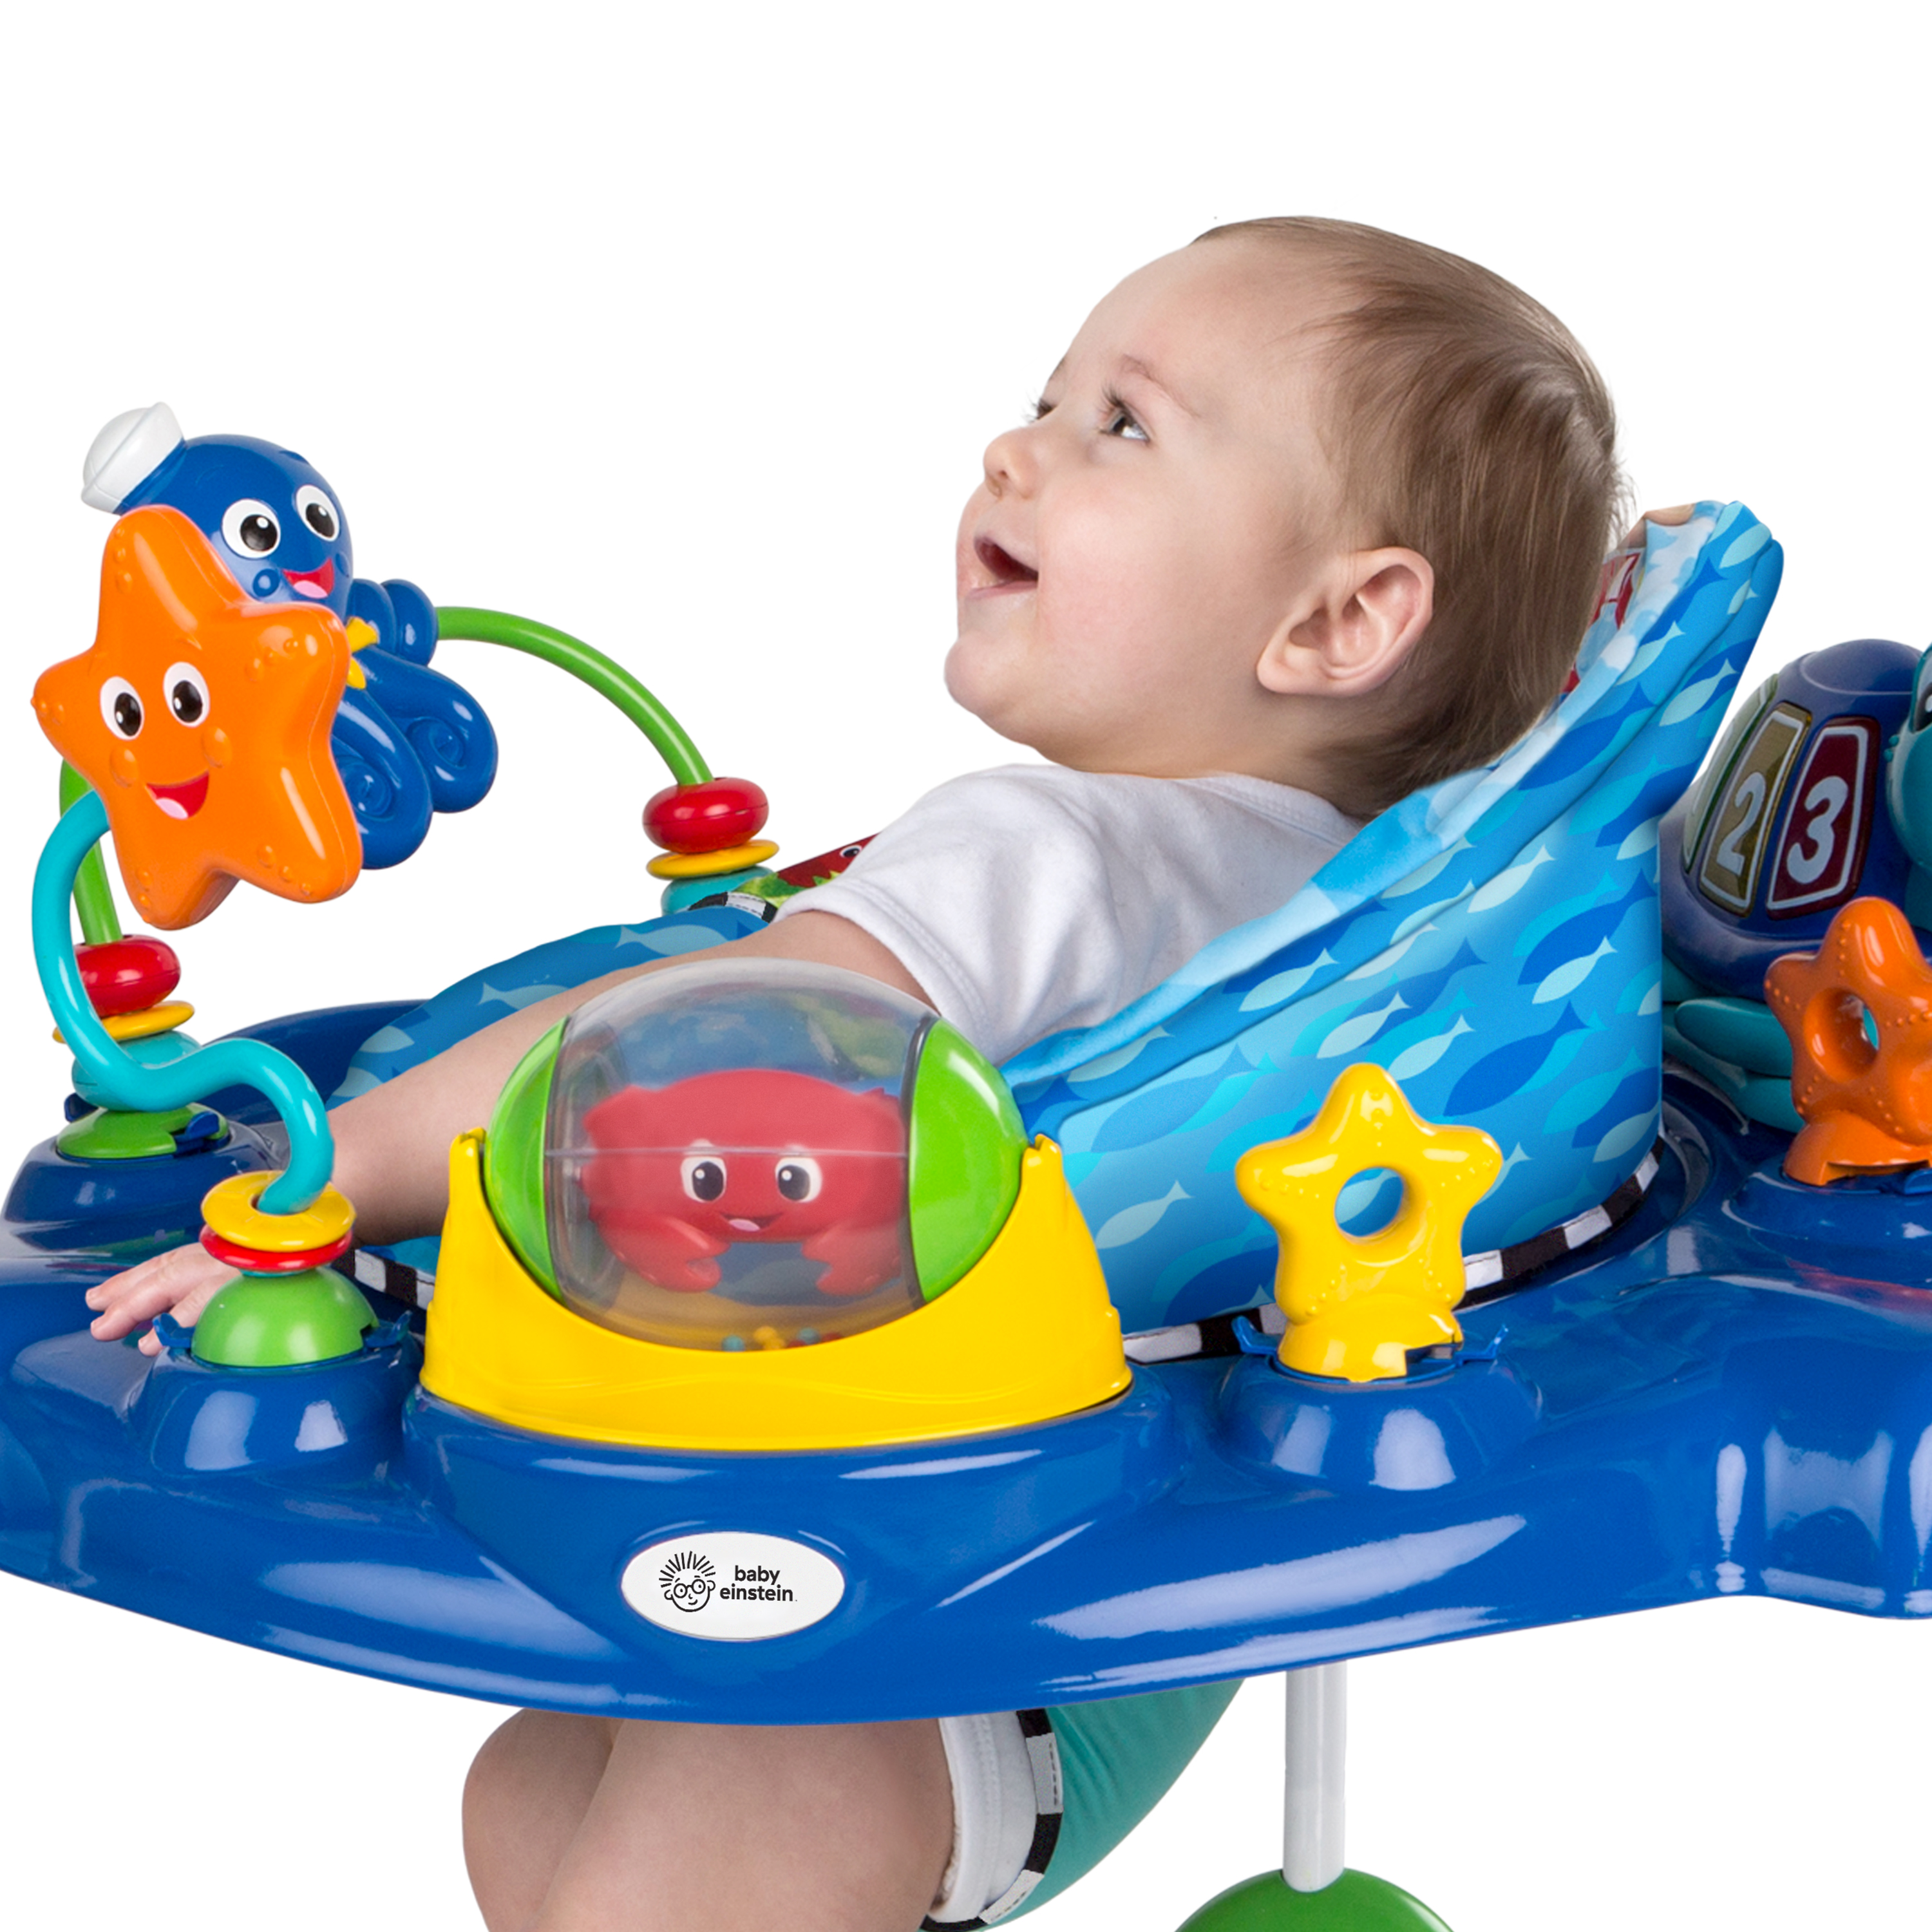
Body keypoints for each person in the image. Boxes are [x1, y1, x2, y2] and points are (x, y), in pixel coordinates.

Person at [86, 217, 1626, 1931]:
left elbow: (678, 1053)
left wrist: (332, 1180)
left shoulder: (1040, 850)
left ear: (1341, 620)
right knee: (541, 1820)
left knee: (554, 1829)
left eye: (1123, 424)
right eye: (1047, 398)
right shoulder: (1368, 931)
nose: (1015, 451)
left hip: (860, 1603)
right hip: (1137, 1607)